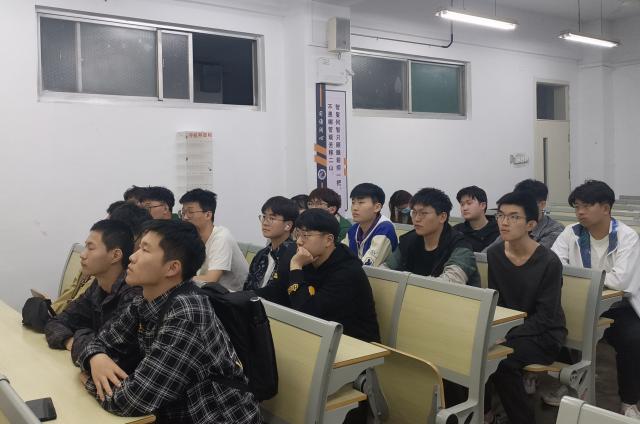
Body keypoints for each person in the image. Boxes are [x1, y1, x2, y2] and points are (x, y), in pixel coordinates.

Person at [76, 220, 261, 423]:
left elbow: (132, 401)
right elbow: (100, 342)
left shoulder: (186, 314)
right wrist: (96, 357)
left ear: (172, 268)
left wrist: (89, 380)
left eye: (145, 250)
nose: (132, 256)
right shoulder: (144, 301)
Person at [546, 180, 640, 418]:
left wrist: (578, 278)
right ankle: (570, 385)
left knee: (633, 339)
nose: (580, 212)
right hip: (581, 302)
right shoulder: (571, 233)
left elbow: (620, 281)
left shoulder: (627, 236)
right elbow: (554, 266)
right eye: (577, 206)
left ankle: (629, 401)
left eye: (586, 206)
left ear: (606, 208)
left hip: (619, 306)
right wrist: (589, 280)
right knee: (554, 325)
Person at [485, 191, 566, 424]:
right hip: (509, 329)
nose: (504, 222)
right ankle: (485, 413)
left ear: (531, 224)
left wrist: (507, 334)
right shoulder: (495, 254)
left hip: (544, 335)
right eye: (500, 215)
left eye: (514, 217)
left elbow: (546, 316)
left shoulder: (549, 261)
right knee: (476, 350)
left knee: (501, 360)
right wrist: (499, 331)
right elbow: (498, 302)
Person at [258, 208, 380, 343]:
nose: (299, 241)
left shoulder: (347, 272)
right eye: (297, 234)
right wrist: (244, 298)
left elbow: (308, 313)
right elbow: (276, 292)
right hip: (317, 336)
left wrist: (296, 267)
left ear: (328, 240)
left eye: (306, 235)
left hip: (354, 343)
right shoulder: (303, 257)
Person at [45, 220, 141, 372]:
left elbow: (105, 351)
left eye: (91, 248)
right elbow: (57, 322)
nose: (82, 255)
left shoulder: (133, 295)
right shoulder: (97, 286)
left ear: (115, 255)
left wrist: (79, 333)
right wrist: (70, 340)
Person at [51, 204, 152, 314]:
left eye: (145, 248)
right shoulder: (97, 282)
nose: (82, 255)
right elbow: (67, 313)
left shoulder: (134, 291)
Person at [386, 188, 480, 286]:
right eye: (414, 212)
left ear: (442, 217)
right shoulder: (408, 240)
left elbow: (449, 283)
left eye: (423, 213)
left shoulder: (460, 245)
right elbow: (385, 269)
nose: (416, 219)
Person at [179, 188, 248, 291]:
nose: (185, 217)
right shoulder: (191, 237)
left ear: (208, 215)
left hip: (233, 297)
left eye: (190, 212)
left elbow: (211, 280)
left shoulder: (222, 237)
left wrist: (177, 280)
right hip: (206, 292)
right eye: (183, 212)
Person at [244, 196, 298, 291]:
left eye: (272, 218)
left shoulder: (294, 255)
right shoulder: (261, 254)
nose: (265, 223)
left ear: (288, 225)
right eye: (264, 217)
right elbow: (247, 289)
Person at [343, 183, 398, 266]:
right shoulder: (353, 229)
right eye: (353, 202)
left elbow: (368, 266)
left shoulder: (385, 228)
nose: (354, 208)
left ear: (377, 207)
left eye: (361, 202)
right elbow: (340, 256)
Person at [514, 179, 565, 248]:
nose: (520, 208)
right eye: (517, 203)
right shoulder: (512, 223)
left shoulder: (555, 230)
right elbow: (498, 249)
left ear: (542, 204)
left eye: (527, 203)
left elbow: (535, 253)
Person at [452, 185, 499, 252]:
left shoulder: (499, 230)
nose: (465, 208)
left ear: (482, 205)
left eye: (469, 203)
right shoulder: (456, 231)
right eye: (462, 204)